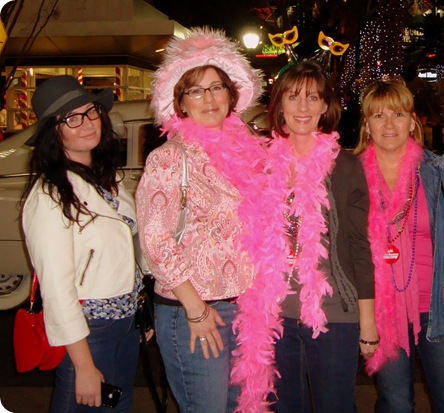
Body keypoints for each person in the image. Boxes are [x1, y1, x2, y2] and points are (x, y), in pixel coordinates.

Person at [233, 60, 376, 413]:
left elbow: (360, 246)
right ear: (279, 104)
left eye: (313, 98)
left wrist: (368, 322)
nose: (303, 107)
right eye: (293, 96)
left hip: (333, 315)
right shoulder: (259, 164)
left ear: (325, 106)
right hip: (274, 316)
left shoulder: (345, 166)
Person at [135, 28, 264, 413]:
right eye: (195, 90)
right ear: (181, 102)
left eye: (216, 87)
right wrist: (196, 309)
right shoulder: (169, 158)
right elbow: (155, 241)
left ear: (230, 95)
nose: (208, 99)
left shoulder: (250, 155)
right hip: (193, 310)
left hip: (243, 311)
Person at [353, 78, 444, 413]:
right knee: (395, 404)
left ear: (412, 122)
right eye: (379, 115)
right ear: (367, 125)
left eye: (398, 114)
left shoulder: (439, 171)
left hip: (440, 307)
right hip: (382, 312)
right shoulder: (351, 176)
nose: (389, 124)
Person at [21, 75, 141, 412]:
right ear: (53, 132)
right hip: (89, 333)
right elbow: (57, 290)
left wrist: (139, 308)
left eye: (91, 112)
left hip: (125, 323)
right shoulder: (50, 195)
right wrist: (84, 366)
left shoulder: (108, 178)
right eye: (71, 119)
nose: (87, 123)